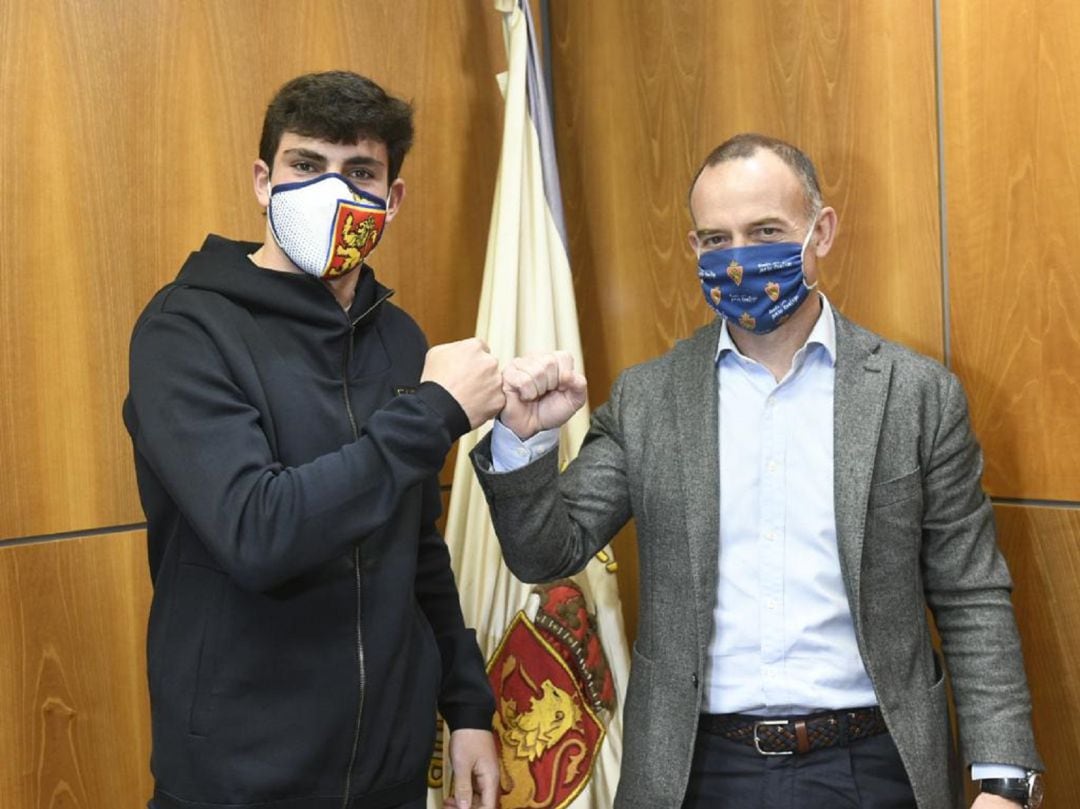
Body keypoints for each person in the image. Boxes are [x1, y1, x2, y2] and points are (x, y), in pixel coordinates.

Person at [471, 134, 1043, 809]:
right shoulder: (649, 398)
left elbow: (970, 588)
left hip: (873, 763)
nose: (739, 259)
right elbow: (546, 552)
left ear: (820, 231)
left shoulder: (915, 394)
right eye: (716, 240)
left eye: (765, 230)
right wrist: (524, 441)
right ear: (694, 249)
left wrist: (1004, 777)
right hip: (698, 771)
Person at [124, 71, 500, 809]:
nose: (333, 190)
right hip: (236, 785)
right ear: (264, 181)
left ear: (391, 200)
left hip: (387, 780)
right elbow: (257, 531)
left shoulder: (398, 339)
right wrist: (432, 412)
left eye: (359, 172)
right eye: (306, 165)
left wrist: (466, 704)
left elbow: (416, 543)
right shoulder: (185, 332)